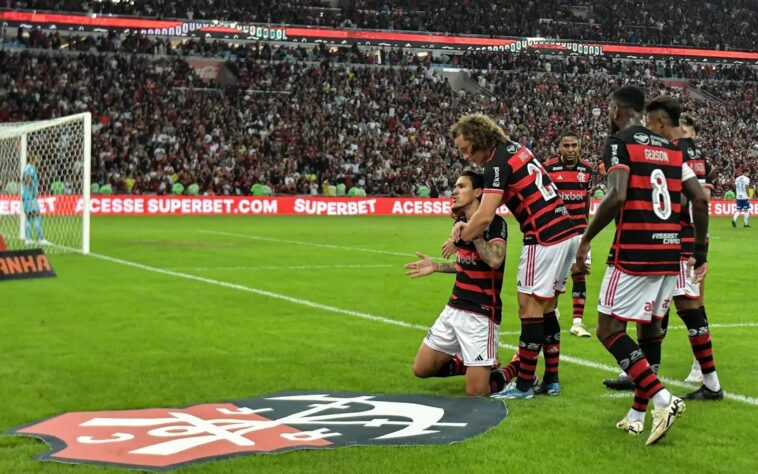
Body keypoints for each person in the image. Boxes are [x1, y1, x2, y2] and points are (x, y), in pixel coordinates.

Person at [574, 86, 709, 445]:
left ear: (618, 110)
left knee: (608, 329)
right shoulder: (672, 147)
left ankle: (663, 400)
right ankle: (636, 415)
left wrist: (586, 239)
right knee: (649, 332)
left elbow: (616, 195)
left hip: (633, 252)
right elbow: (698, 197)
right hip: (669, 254)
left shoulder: (619, 142)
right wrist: (700, 250)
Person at [448, 114, 580, 399]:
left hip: (543, 235)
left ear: (480, 138)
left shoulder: (497, 162)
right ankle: (552, 380)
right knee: (546, 309)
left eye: (467, 148)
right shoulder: (517, 149)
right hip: (566, 230)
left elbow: (484, 216)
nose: (466, 155)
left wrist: (460, 234)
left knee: (528, 308)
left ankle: (523, 385)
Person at [405, 171, 507, 397]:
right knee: (421, 369)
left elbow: (494, 260)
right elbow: (465, 263)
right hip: (454, 308)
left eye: (461, 186)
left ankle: (514, 368)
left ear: (478, 192)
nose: (455, 191)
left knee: (476, 394)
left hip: (481, 314)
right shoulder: (460, 224)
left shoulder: (495, 224)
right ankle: (474, 364)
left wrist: (471, 234)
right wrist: (437, 266)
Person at [543, 131, 594, 337]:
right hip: (557, 231)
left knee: (579, 273)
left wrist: (587, 230)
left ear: (579, 147)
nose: (571, 149)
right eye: (567, 145)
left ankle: (577, 322)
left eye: (574, 145)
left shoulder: (587, 168)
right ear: (560, 148)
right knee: (554, 276)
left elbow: (586, 198)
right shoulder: (549, 168)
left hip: (580, 231)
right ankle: (552, 312)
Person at [22, 155, 47, 245]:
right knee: (36, 215)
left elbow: (23, 179)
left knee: (29, 217)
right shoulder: (31, 168)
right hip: (30, 197)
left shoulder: (27, 168)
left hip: (25, 196)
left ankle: (27, 239)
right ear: (32, 159)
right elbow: (26, 179)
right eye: (37, 158)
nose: (39, 159)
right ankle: (40, 238)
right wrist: (33, 189)